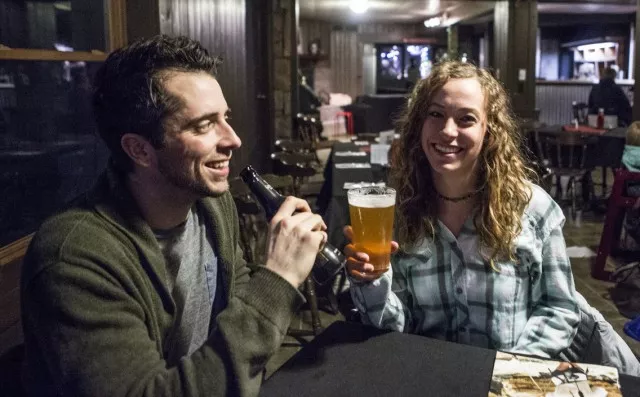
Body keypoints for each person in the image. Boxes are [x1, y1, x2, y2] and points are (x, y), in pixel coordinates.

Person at [20, 35, 328, 397]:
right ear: (140, 149)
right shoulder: (73, 259)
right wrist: (279, 278)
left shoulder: (212, 203)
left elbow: (237, 288)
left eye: (224, 118)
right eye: (203, 125)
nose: (233, 139)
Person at [344, 61, 640, 374]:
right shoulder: (400, 213)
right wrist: (372, 282)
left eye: (466, 119)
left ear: (489, 130)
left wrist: (507, 372)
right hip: (431, 379)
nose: (447, 131)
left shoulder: (531, 207)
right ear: (419, 124)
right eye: (435, 114)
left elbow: (560, 308)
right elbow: (398, 325)